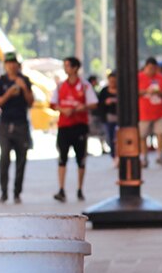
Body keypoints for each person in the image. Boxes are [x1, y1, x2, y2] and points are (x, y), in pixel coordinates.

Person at [49, 56, 98, 202]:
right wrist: (62, 110)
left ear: (75, 68)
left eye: (68, 66)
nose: (66, 69)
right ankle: (61, 189)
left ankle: (79, 189)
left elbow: (94, 103)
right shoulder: (60, 86)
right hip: (64, 126)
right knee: (62, 158)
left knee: (80, 159)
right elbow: (52, 103)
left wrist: (82, 107)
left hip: (79, 126)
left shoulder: (84, 86)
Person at [0, 52, 34, 203]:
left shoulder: (25, 80)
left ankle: (17, 192)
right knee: (4, 158)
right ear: (5, 65)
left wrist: (24, 88)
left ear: (18, 64)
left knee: (21, 160)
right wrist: (8, 94)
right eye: (8, 63)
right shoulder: (1, 81)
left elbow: (31, 103)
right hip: (5, 124)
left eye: (13, 62)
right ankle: (4, 192)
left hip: (21, 124)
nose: (11, 65)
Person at [137, 57, 162, 167]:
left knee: (160, 134)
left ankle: (159, 156)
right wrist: (146, 91)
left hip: (159, 112)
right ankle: (144, 158)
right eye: (149, 68)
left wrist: (160, 93)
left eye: (154, 68)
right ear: (146, 67)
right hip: (144, 113)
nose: (151, 70)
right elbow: (133, 91)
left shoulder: (160, 78)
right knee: (142, 136)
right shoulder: (139, 77)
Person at [97, 71, 119, 163]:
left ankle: (118, 155)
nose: (112, 83)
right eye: (111, 81)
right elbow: (99, 103)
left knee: (118, 137)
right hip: (108, 117)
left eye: (114, 81)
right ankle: (113, 155)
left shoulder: (121, 91)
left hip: (119, 118)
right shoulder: (104, 91)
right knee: (110, 137)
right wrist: (106, 102)